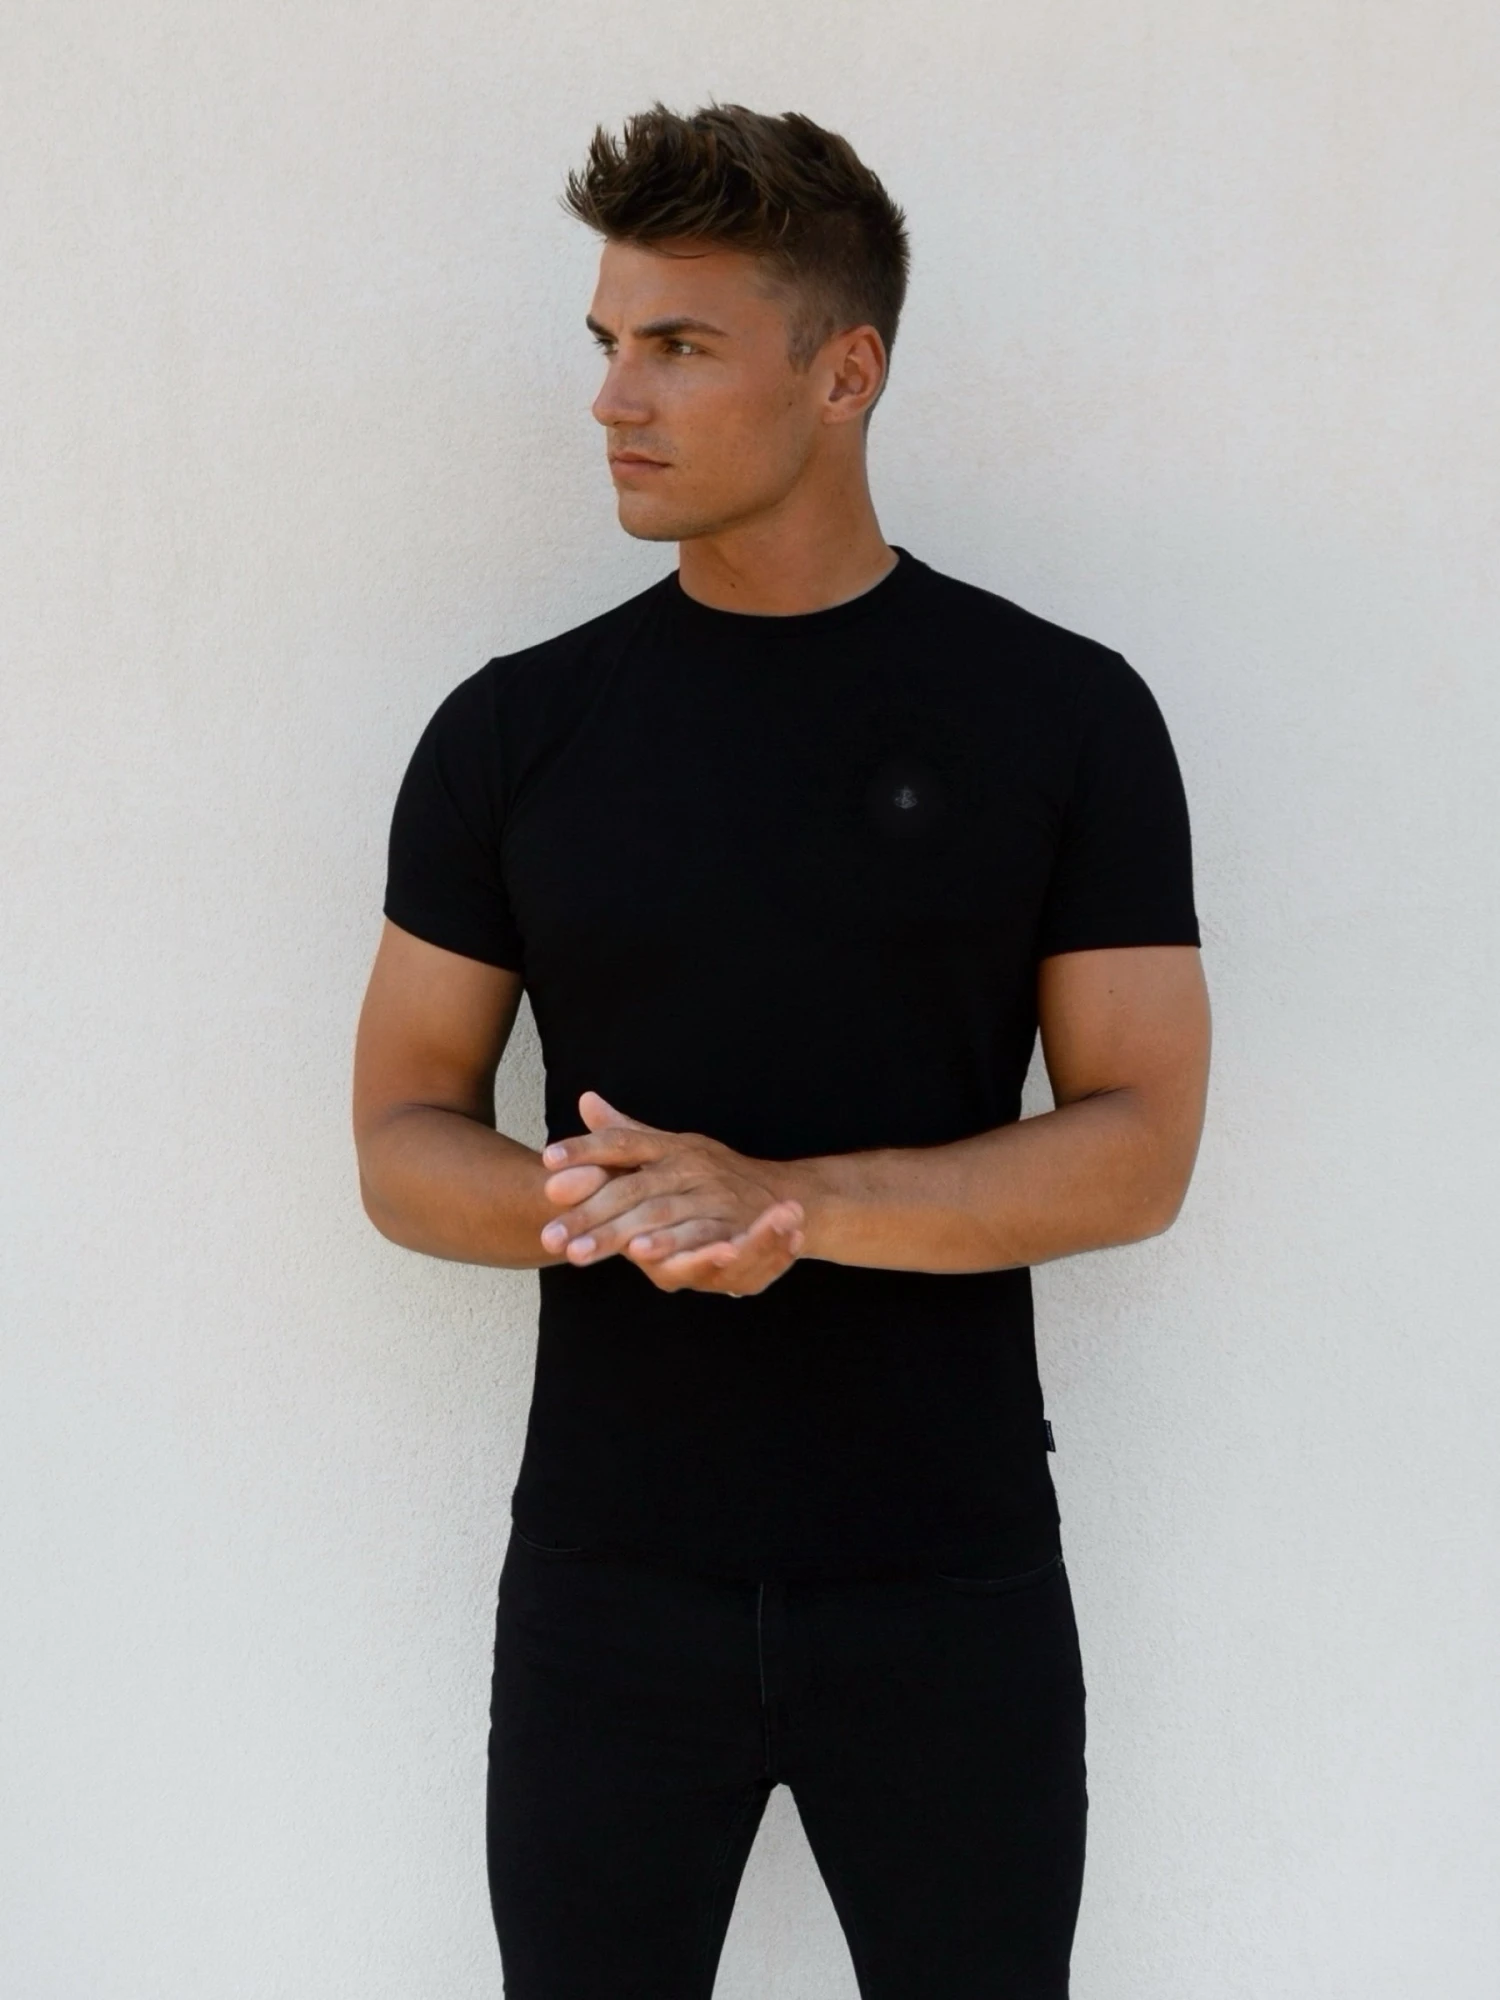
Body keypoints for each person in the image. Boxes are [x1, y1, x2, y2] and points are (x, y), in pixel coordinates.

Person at [353, 100, 1211, 1999]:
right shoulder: (514, 733)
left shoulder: (1063, 716)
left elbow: (1141, 1142)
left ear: (847, 371)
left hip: (950, 1579)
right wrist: (626, 1215)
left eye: (678, 345)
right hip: (607, 1587)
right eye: (607, 342)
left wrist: (786, 1208)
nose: (613, 399)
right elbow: (401, 1133)